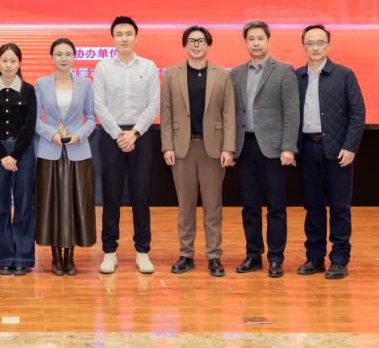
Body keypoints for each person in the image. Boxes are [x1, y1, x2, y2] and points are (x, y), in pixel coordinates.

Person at [161, 26, 235, 278]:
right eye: (191, 41)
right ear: (185, 45)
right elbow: (166, 113)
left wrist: (228, 148)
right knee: (186, 206)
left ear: (208, 44)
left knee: (213, 206)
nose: (196, 45)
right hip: (182, 149)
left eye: (200, 41)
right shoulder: (172, 74)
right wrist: (167, 146)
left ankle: (214, 256)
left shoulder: (222, 75)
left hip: (212, 149)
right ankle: (186, 255)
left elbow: (229, 114)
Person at [295, 24, 366, 280]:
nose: (315, 47)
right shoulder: (297, 76)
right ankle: (314, 258)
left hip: (338, 152)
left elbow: (358, 113)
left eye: (320, 42)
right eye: (310, 43)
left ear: (328, 45)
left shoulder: (344, 75)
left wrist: (350, 147)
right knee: (312, 207)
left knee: (339, 208)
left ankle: (339, 260)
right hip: (306, 149)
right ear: (304, 46)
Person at [230, 21, 300, 278]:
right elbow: (232, 113)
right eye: (251, 39)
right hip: (245, 147)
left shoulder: (283, 71)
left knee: (276, 207)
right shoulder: (236, 74)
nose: (256, 43)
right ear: (245, 43)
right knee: (249, 205)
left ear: (268, 41)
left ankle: (276, 258)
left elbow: (292, 112)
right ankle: (253, 255)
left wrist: (289, 147)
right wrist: (230, 147)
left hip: (274, 149)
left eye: (260, 38)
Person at [93, 16, 160, 275]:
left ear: (136, 37)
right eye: (119, 34)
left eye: (128, 33)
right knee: (111, 195)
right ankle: (109, 252)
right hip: (111, 136)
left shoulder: (149, 66)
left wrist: (134, 133)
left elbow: (153, 104)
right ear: (113, 38)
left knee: (140, 195)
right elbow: (99, 104)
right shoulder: (102, 68)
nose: (124, 38)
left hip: (140, 135)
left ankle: (142, 251)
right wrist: (118, 134)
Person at [34, 37, 97, 275]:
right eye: (59, 54)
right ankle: (55, 255)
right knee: (50, 203)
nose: (63, 58)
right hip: (49, 150)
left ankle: (70, 256)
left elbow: (91, 118)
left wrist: (79, 136)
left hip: (77, 151)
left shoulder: (85, 84)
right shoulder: (41, 84)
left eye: (68, 54)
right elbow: (34, 119)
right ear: (52, 57)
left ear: (74, 57)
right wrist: (50, 134)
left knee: (75, 203)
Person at [0, 43, 37, 275]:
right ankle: (3, 257)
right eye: (4, 60)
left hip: (23, 153)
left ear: (19, 63)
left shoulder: (28, 90)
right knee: (1, 205)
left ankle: (23, 257)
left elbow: (30, 125)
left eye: (13, 61)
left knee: (24, 205)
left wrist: (15, 155)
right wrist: (3, 155)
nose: (8, 65)